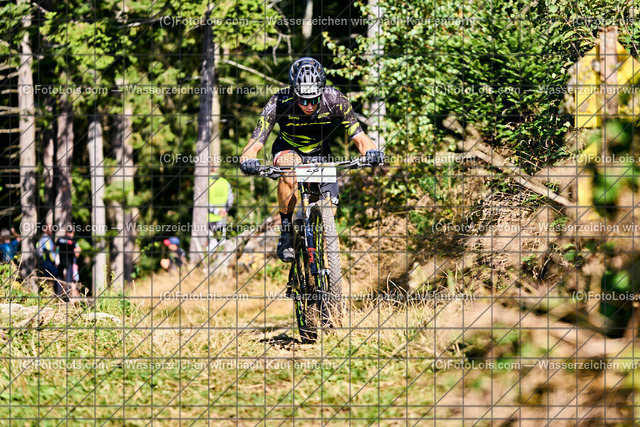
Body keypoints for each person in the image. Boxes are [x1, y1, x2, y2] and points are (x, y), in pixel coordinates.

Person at [239, 57, 385, 262]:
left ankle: (324, 268)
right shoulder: (279, 101)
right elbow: (254, 144)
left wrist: (372, 153)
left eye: (314, 99)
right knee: (290, 172)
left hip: (320, 152)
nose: (309, 105)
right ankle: (286, 230)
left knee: (329, 210)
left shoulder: (335, 99)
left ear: (321, 92)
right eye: (303, 100)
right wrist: (248, 160)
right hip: (288, 148)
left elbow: (360, 138)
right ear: (294, 93)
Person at [207, 166, 233, 253]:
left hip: (208, 218)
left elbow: (203, 201)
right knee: (222, 242)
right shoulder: (225, 182)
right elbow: (230, 199)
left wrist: (217, 211)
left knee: (211, 244)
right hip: (222, 217)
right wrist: (225, 210)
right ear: (215, 169)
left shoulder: (204, 182)